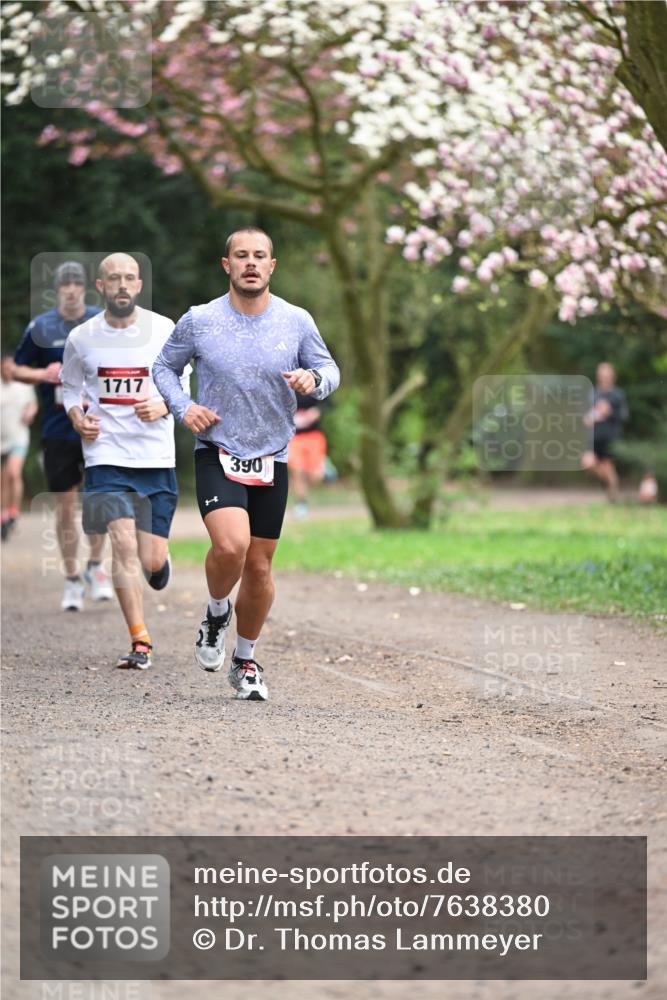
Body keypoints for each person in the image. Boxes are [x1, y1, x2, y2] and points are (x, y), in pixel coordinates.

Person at [153, 227, 340, 701]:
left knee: (259, 567)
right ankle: (217, 613)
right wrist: (183, 408)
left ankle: (246, 659)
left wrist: (312, 379)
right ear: (227, 264)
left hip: (273, 454)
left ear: (272, 266)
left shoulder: (296, 321)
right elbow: (163, 367)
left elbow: (330, 371)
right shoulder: (199, 320)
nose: (251, 263)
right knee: (232, 546)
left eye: (260, 256)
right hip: (218, 447)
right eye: (242, 256)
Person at [61, 253, 187, 669]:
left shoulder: (163, 330)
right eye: (113, 278)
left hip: (154, 456)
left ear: (138, 285)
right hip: (106, 456)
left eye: (129, 278)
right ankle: (140, 641)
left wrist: (163, 404)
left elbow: (182, 381)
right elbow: (69, 386)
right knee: (122, 542)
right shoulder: (82, 337)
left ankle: (160, 562)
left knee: (149, 559)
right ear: (100, 287)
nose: (121, 285)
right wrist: (78, 418)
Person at [13, 261, 112, 609]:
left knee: (98, 504)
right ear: (56, 290)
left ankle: (97, 568)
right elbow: (13, 368)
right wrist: (43, 374)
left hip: (99, 427)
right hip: (58, 431)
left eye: (76, 284)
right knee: (66, 508)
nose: (70, 289)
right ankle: (72, 579)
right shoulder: (41, 326)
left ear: (85, 288)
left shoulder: (102, 320)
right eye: (64, 285)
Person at [1, 356, 38, 540]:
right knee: (3, 479)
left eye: (11, 368)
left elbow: (33, 404)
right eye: (5, 368)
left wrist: (30, 412)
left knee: (13, 473)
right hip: (1, 440)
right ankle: (4, 513)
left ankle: (13, 511)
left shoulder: (24, 385)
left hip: (18, 437)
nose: (9, 371)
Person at [581, 362, 628, 500]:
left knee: (608, 466)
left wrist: (609, 412)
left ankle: (613, 495)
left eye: (607, 374)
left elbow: (624, 416)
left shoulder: (617, 395)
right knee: (588, 463)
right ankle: (612, 488)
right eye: (602, 374)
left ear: (612, 376)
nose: (604, 377)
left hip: (610, 437)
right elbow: (585, 414)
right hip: (593, 438)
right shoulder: (593, 393)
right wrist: (588, 417)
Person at [288, 392, 329, 519]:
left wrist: (317, 411)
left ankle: (324, 464)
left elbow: (329, 403)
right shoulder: (284, 381)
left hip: (314, 435)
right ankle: (301, 503)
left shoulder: (314, 378)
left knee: (315, 476)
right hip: (293, 437)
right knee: (297, 471)